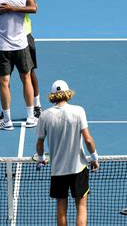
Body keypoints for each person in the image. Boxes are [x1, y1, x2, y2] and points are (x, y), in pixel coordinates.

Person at [35, 80, 99, 226]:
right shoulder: (78, 111)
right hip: (78, 168)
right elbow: (88, 140)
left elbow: (39, 143)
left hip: (58, 171)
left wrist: (40, 158)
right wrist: (94, 158)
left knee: (61, 209)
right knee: (81, 207)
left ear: (53, 96)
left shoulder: (44, 116)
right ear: (67, 93)